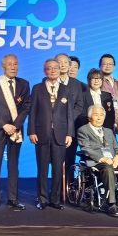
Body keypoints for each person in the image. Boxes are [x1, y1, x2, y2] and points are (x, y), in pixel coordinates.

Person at [0, 54, 31, 210]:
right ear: (3, 66)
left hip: (15, 131)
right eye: (10, 64)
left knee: (13, 166)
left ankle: (13, 199)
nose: (13, 67)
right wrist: (3, 125)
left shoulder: (24, 84)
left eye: (15, 64)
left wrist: (15, 126)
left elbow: (26, 107)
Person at [28, 59, 74, 210]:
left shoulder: (66, 89)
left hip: (60, 135)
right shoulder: (37, 88)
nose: (53, 71)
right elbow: (32, 112)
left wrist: (69, 133)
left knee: (57, 169)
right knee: (42, 169)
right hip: (41, 133)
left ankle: (55, 199)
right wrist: (31, 131)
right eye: (49, 68)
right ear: (44, 71)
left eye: (55, 68)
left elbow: (69, 114)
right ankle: (42, 199)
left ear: (60, 70)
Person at [77, 105, 118, 218]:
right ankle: (111, 204)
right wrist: (103, 158)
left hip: (113, 159)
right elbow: (86, 149)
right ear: (90, 117)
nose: (99, 118)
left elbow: (117, 147)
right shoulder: (83, 130)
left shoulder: (108, 131)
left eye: (101, 115)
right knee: (108, 169)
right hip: (97, 161)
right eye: (96, 115)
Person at [55, 53, 85, 191]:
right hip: (53, 127)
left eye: (65, 63)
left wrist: (68, 119)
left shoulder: (77, 84)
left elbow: (79, 105)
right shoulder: (48, 81)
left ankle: (68, 189)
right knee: (54, 161)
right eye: (59, 62)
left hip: (70, 128)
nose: (62, 65)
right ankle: (55, 190)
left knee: (69, 159)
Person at [98, 53, 118, 129]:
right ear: (99, 66)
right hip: (103, 120)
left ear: (114, 66)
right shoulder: (96, 82)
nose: (108, 66)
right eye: (105, 64)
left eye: (110, 64)